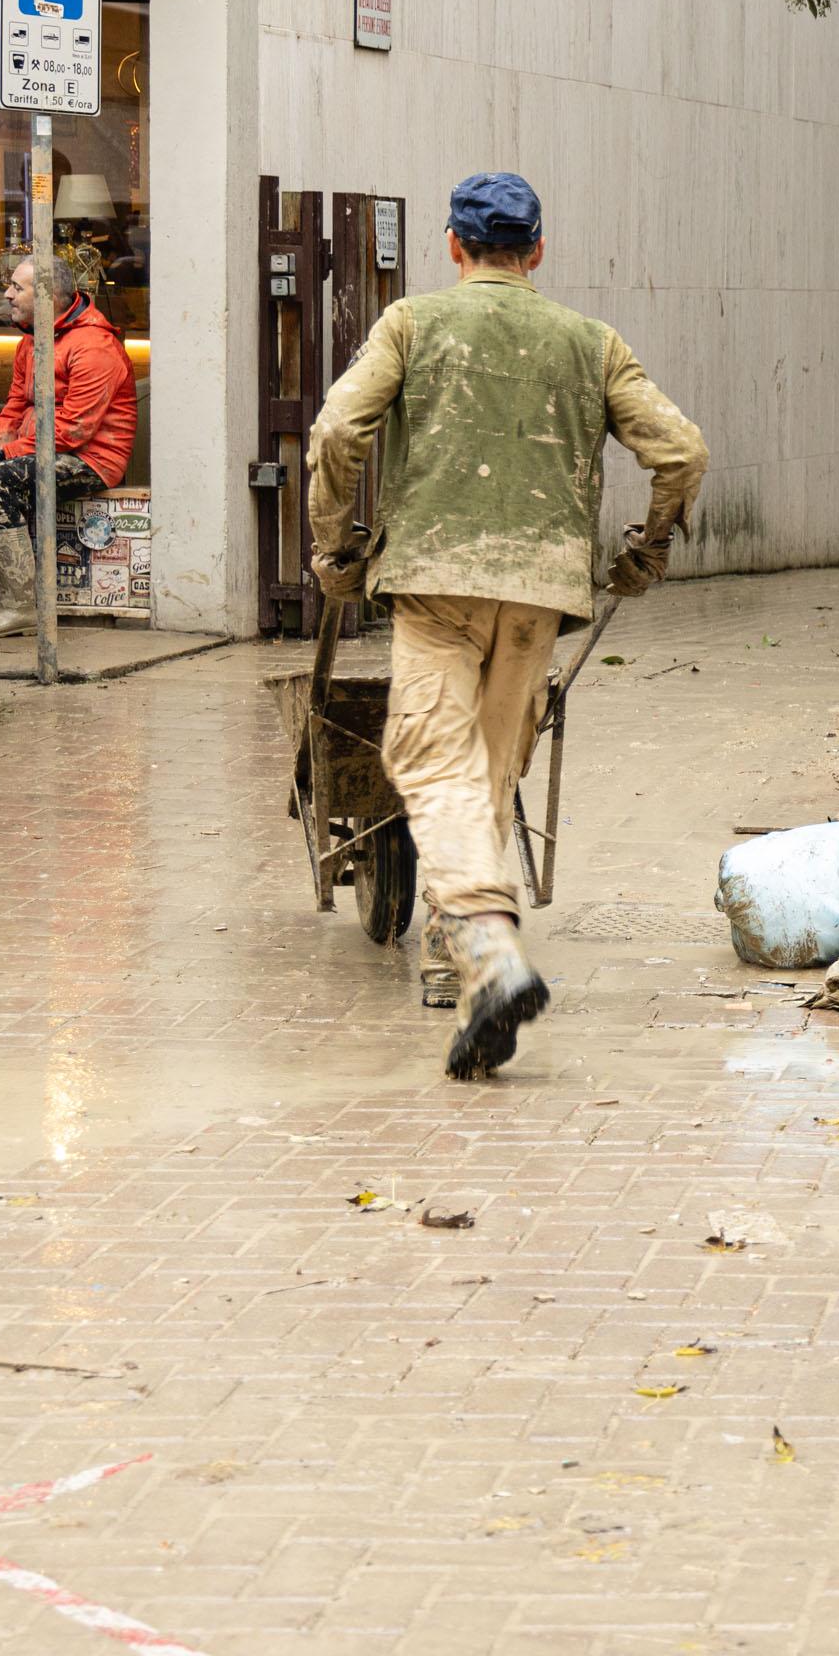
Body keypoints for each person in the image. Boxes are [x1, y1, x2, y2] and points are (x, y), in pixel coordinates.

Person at [307, 173, 707, 1080]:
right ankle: (461, 974)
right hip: (538, 598)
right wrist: (646, 549)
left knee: (429, 762)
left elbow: (336, 434)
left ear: (454, 245)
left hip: (435, 582)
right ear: (536, 250)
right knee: (487, 773)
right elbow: (683, 451)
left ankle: (487, 948)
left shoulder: (413, 323)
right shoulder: (590, 343)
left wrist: (336, 547)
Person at [0, 255, 138, 636]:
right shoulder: (32, 339)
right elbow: (16, 405)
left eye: (18, 287)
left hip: (89, 459)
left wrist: (4, 456)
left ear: (48, 296)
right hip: (43, 448)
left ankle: (20, 606)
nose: (8, 294)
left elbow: (73, 431)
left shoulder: (94, 346)